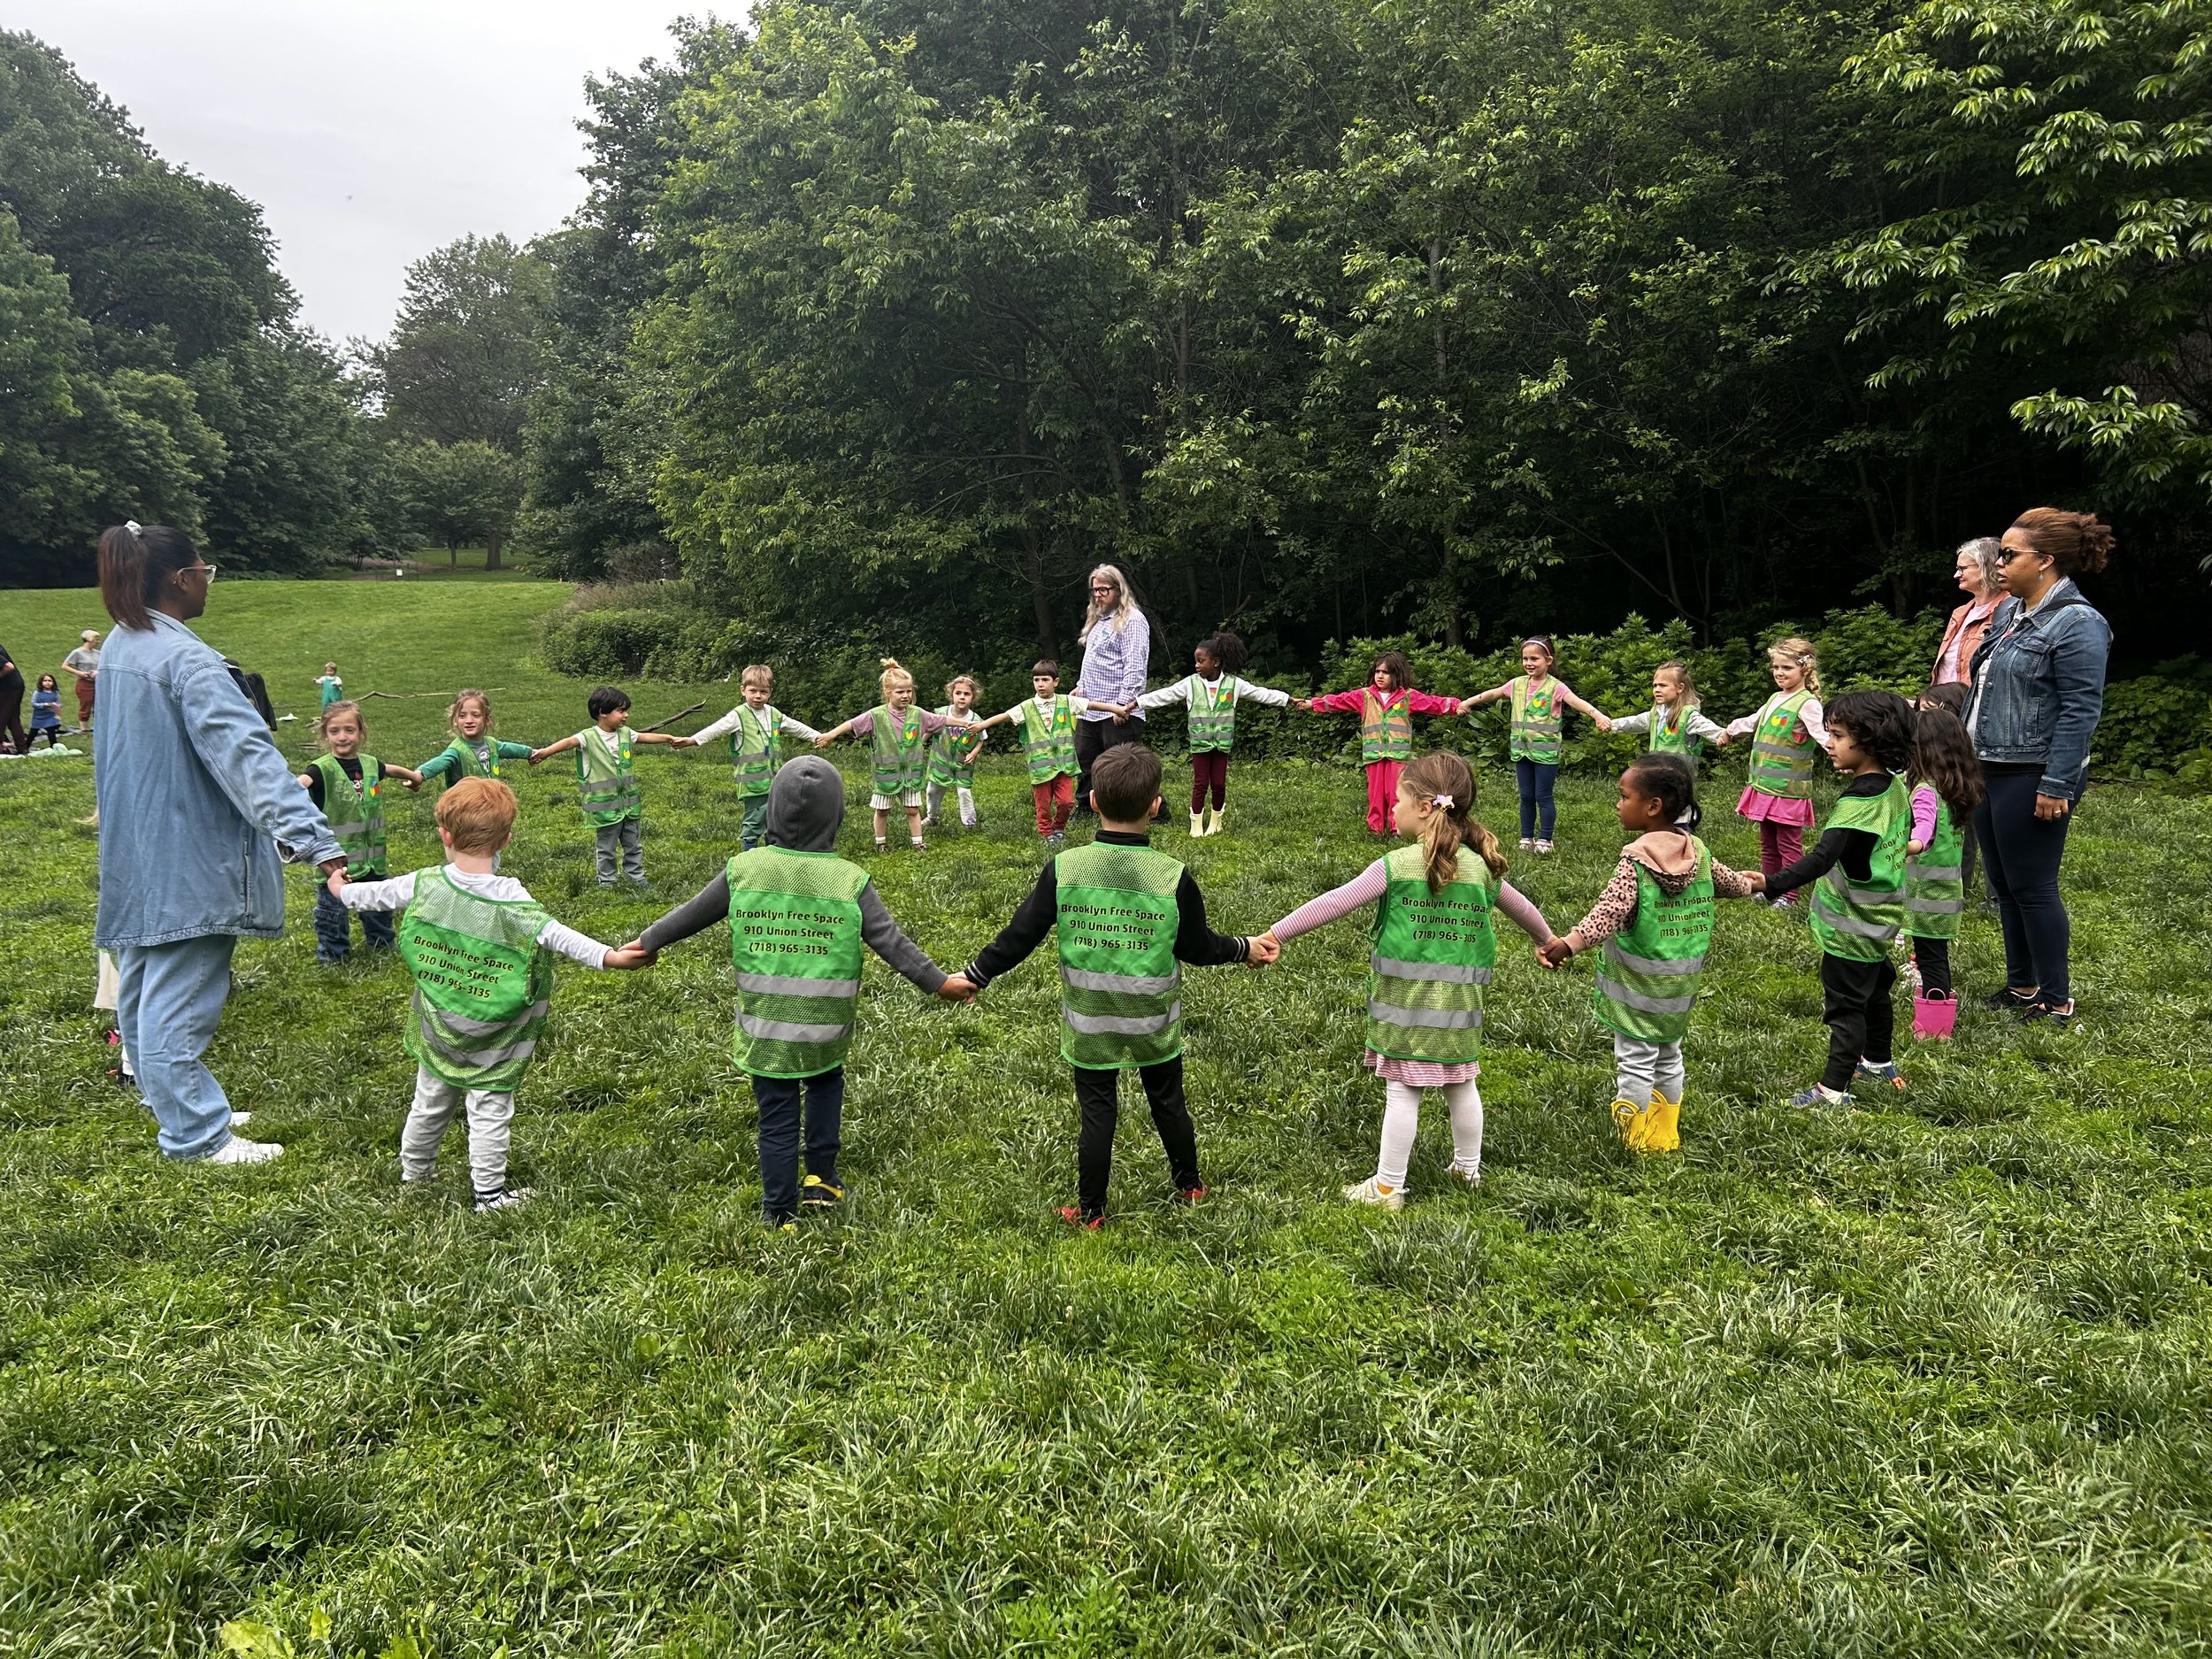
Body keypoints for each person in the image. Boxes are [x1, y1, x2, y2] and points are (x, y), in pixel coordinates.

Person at [91, 521, 349, 1165]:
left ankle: (173, 1100)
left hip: (140, 848)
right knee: (182, 997)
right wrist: (316, 840)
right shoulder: (187, 660)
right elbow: (249, 759)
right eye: (206, 569)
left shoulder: (125, 645)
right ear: (182, 579)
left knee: (146, 985)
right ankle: (196, 1136)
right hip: (189, 852)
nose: (208, 579)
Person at [622, 757, 961, 1226]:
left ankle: (778, 1212)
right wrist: (938, 982)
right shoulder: (848, 879)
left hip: (766, 1025)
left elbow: (691, 913)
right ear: (838, 817)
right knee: (825, 1088)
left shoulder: (745, 869)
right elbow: (891, 941)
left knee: (776, 1117)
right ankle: (821, 1177)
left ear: (772, 812)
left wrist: (648, 940)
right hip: (826, 1023)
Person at [945, 744, 1274, 1227]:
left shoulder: (1066, 868)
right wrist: (1245, 948)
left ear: (1093, 800)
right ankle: (1190, 1186)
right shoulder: (1172, 876)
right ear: (1157, 805)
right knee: (1169, 1103)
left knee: (1098, 1113)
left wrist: (975, 974)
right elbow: (1198, 948)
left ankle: (1092, 1211)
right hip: (1153, 1020)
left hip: (1090, 1019)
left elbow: (1021, 935)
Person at [328, 778, 648, 1212]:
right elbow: (557, 936)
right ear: (507, 839)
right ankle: (489, 1195)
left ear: (445, 834)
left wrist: (339, 887)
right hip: (494, 1034)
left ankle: (415, 1175)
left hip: (439, 1024)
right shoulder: (512, 898)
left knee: (429, 1101)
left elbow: (366, 897)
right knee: (489, 1109)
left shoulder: (424, 884)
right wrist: (609, 957)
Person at [1262, 751, 1549, 1209]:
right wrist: (1547, 940)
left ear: (1422, 807)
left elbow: (1336, 901)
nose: (1390, 808)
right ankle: (1467, 1171)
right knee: (1462, 1083)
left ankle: (1388, 1186)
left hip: (1406, 1005)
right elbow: (1524, 909)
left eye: (1396, 800)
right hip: (1462, 1006)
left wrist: (1275, 933)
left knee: (1403, 1089)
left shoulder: (1396, 866)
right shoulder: (1481, 869)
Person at [1535, 753, 1757, 1153]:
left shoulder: (1636, 860)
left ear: (1652, 807)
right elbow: (1727, 883)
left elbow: (1610, 911)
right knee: (1669, 1054)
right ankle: (1665, 1132)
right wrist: (1751, 884)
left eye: (1624, 796)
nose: (1618, 804)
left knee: (1636, 1058)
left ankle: (1633, 1135)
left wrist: (1569, 942)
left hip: (1637, 989)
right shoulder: (1699, 853)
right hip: (1680, 986)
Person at [1963, 508, 2113, 1028]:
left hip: (2032, 772)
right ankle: (2022, 984)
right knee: (2003, 883)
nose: (1999, 562)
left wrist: (2056, 782)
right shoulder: (2010, 614)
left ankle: (2056, 997)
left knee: (2034, 885)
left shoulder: (2080, 623)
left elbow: (2080, 710)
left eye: (2009, 554)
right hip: (1988, 767)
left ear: (2045, 560)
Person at [1750, 690, 1916, 1108]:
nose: (1829, 743)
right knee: (1876, 987)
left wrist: (1769, 883)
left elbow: (1823, 857)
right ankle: (1879, 1061)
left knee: (1846, 1006)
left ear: (1872, 740)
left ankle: (1833, 1089)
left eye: (1839, 735)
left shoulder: (1859, 802)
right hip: (1882, 914)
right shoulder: (1894, 787)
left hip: (1851, 923)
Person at [1135, 630, 1295, 837]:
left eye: (1201, 661)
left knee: (1219, 784)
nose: (1197, 665)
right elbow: (1164, 695)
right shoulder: (1190, 683)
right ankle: (1196, 826)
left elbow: (1261, 693)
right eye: (1196, 661)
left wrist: (1288, 699)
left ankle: (1216, 822)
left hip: (1222, 744)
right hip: (1200, 745)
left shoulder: (1234, 684)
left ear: (1216, 662)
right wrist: (1137, 703)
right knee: (1200, 783)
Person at [296, 700, 422, 962]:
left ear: (361, 733)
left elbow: (390, 769)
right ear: (325, 734)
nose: (343, 737)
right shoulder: (321, 769)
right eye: (335, 731)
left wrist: (414, 776)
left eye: (349, 730)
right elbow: (301, 783)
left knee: (377, 904)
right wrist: (288, 794)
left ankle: (381, 942)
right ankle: (333, 953)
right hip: (337, 863)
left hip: (372, 858)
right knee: (333, 911)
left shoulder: (369, 764)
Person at [1460, 635, 1609, 853]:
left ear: (1548, 661)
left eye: (1535, 659)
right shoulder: (1517, 684)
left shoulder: (1556, 688)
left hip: (1546, 754)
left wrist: (1598, 716)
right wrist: (1468, 702)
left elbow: (1578, 703)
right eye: (1525, 659)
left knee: (1543, 796)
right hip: (1522, 752)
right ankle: (1526, 836)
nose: (1529, 663)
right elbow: (1493, 693)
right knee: (1526, 796)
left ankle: (1545, 839)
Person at [813, 658, 979, 853]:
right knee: (882, 810)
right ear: (888, 693)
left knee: (913, 809)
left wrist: (966, 725)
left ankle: (918, 842)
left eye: (909, 691)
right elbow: (852, 723)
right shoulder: (876, 716)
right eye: (900, 692)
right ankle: (881, 843)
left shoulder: (918, 714)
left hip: (911, 776)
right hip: (886, 778)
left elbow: (942, 720)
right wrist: (831, 735)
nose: (905, 696)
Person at [528, 685, 682, 887]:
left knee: (633, 845)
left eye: (626, 710)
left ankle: (636, 877)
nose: (626, 715)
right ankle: (607, 881)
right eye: (621, 710)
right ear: (603, 713)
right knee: (606, 848)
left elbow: (644, 737)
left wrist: (667, 738)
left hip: (629, 806)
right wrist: (545, 752)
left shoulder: (625, 733)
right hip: (605, 809)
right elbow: (567, 742)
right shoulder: (588, 737)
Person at [1302, 651, 1464, 833]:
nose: (1380, 676)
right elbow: (1337, 701)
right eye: (1377, 671)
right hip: (1374, 755)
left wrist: (1456, 706)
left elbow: (1433, 703)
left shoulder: (1408, 697)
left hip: (1398, 756)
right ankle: (1375, 829)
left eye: (1386, 672)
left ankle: (1397, 829)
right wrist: (1312, 704)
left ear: (1397, 674)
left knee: (1396, 793)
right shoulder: (1364, 696)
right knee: (1375, 795)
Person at [970, 661, 1126, 845]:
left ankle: (1059, 827)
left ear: (1056, 682)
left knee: (1066, 802)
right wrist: (981, 725)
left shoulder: (1066, 701)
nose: (1040, 684)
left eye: (1045, 679)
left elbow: (1091, 705)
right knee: (1043, 805)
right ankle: (1045, 832)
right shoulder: (1027, 706)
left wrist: (1115, 709)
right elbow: (1005, 716)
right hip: (1041, 768)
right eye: (1036, 680)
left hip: (1064, 765)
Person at [1721, 637, 1827, 902]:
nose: (1779, 673)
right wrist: (1729, 731)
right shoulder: (1774, 699)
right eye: (1776, 667)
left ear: (1804, 669)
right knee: (1768, 844)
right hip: (1764, 787)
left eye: (1786, 668)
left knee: (1788, 846)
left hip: (1789, 792)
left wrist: (1844, 759)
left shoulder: (1808, 704)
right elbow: (1752, 722)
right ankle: (1769, 889)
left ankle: (1789, 897)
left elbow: (1824, 735)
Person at [1903, 704, 1984, 1041]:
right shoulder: (1955, 789)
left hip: (1926, 894)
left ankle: (1935, 1029)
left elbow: (1922, 834)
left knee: (1932, 959)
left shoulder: (1924, 791)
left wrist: (1898, 845)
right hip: (1947, 890)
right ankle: (1934, 1020)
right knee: (1934, 955)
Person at [683, 664, 821, 851]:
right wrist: (694, 740)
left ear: (770, 692)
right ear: (743, 690)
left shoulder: (773, 714)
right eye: (753, 691)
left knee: (775, 819)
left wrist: (817, 736)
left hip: (775, 780)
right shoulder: (738, 715)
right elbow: (717, 728)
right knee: (754, 821)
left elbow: (795, 726)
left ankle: (770, 853)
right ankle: (750, 854)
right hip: (752, 784)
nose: (758, 696)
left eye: (763, 692)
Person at [1071, 565, 1156, 818]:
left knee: (1123, 766)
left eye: (1104, 590)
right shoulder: (1099, 620)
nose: (1098, 595)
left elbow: (1135, 664)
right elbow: (1095, 663)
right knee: (1086, 760)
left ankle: (1154, 809)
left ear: (1119, 590)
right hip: (1091, 708)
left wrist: (1124, 704)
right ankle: (1086, 807)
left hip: (1117, 709)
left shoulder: (1132, 619)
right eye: (1094, 590)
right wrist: (1079, 688)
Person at [1601, 661, 1729, 770]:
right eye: (1655, 685)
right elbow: (1636, 722)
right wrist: (1612, 725)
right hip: (1657, 772)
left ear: (1680, 688)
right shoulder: (1656, 713)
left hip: (1680, 777)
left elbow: (1705, 726)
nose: (1656, 689)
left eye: (1662, 685)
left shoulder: (1687, 715)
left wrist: (1722, 735)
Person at [412, 689, 541, 795]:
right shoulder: (457, 750)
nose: (469, 720)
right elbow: (440, 761)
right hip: (464, 806)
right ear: (456, 720)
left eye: (476, 715)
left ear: (487, 719)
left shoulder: (491, 744)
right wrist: (421, 773)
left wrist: (530, 753)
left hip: (488, 799)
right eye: (462, 716)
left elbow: (510, 749)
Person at [1932, 538, 2004, 687]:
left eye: (1962, 568)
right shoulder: (1960, 613)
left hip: (1972, 706)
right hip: (1946, 705)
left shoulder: (2011, 609)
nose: (1956, 575)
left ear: (1986, 567)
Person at [923, 673, 989, 832]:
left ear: (973, 697)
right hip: (940, 763)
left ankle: (969, 824)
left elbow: (981, 739)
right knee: (932, 790)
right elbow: (928, 730)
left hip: (962, 765)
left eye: (966, 694)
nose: (962, 697)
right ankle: (932, 817)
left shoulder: (976, 719)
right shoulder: (941, 713)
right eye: (958, 693)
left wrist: (974, 753)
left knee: (964, 792)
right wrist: (919, 743)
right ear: (951, 694)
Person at [61, 627, 100, 733]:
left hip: (98, 683)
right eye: (96, 639)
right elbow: (65, 666)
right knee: (86, 704)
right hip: (85, 683)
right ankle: (84, 729)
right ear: (90, 640)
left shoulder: (98, 653)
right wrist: (79, 673)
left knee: (99, 705)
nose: (98, 641)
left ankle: (98, 727)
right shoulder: (78, 652)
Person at [28, 673, 67, 750]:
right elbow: (33, 704)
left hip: (50, 716)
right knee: (33, 733)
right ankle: (25, 747)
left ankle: (54, 748)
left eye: (50, 681)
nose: (47, 682)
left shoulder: (55, 693)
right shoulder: (37, 693)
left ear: (53, 682)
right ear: (41, 682)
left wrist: (56, 706)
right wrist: (44, 705)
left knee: (51, 733)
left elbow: (58, 704)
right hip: (38, 717)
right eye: (45, 681)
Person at [0, 637, 24, 753]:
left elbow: (8, 666)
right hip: (16, 685)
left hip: (7, 687)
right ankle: (22, 747)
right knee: (13, 718)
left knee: (2, 716)